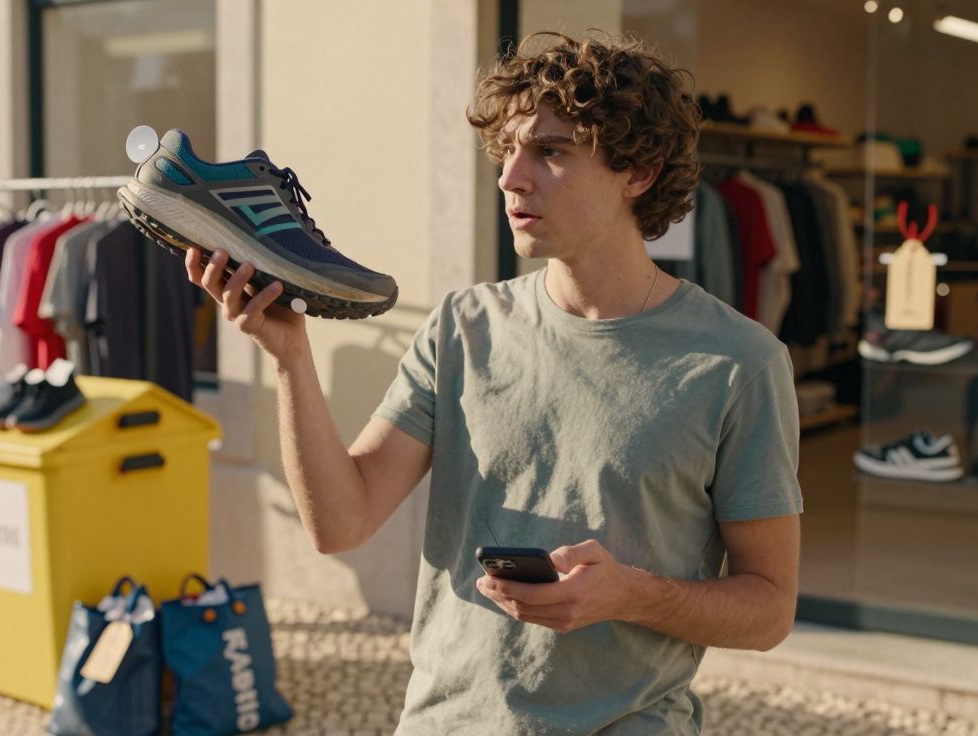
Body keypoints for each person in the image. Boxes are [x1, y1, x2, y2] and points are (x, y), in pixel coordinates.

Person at [185, 31, 802, 736]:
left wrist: (627, 594)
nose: (512, 178)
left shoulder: (738, 363)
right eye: (508, 150)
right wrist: (289, 356)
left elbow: (768, 609)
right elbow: (340, 522)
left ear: (639, 171)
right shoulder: (461, 327)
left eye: (551, 150)